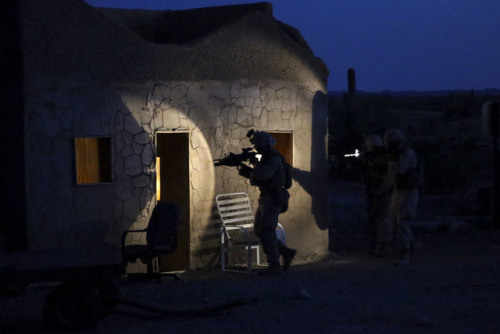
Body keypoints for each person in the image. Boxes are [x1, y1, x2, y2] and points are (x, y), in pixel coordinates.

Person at [238, 130, 297, 275]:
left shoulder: (273, 158)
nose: (255, 148)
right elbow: (258, 177)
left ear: (262, 145)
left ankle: (274, 265)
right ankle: (285, 252)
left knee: (266, 230)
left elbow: (263, 175)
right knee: (259, 229)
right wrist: (247, 169)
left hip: (273, 197)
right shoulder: (267, 157)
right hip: (267, 197)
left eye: (257, 145)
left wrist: (254, 164)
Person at [384, 129, 421, 265]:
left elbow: (401, 169)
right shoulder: (397, 154)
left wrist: (392, 160)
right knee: (394, 221)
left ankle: (405, 254)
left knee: (402, 221)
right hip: (398, 190)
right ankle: (410, 247)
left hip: (409, 191)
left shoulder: (407, 153)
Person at [360, 134, 393, 257]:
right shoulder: (376, 159)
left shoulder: (384, 159)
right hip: (376, 192)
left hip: (382, 192)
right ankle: (379, 245)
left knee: (382, 220)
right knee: (377, 220)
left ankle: (384, 246)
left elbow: (386, 177)